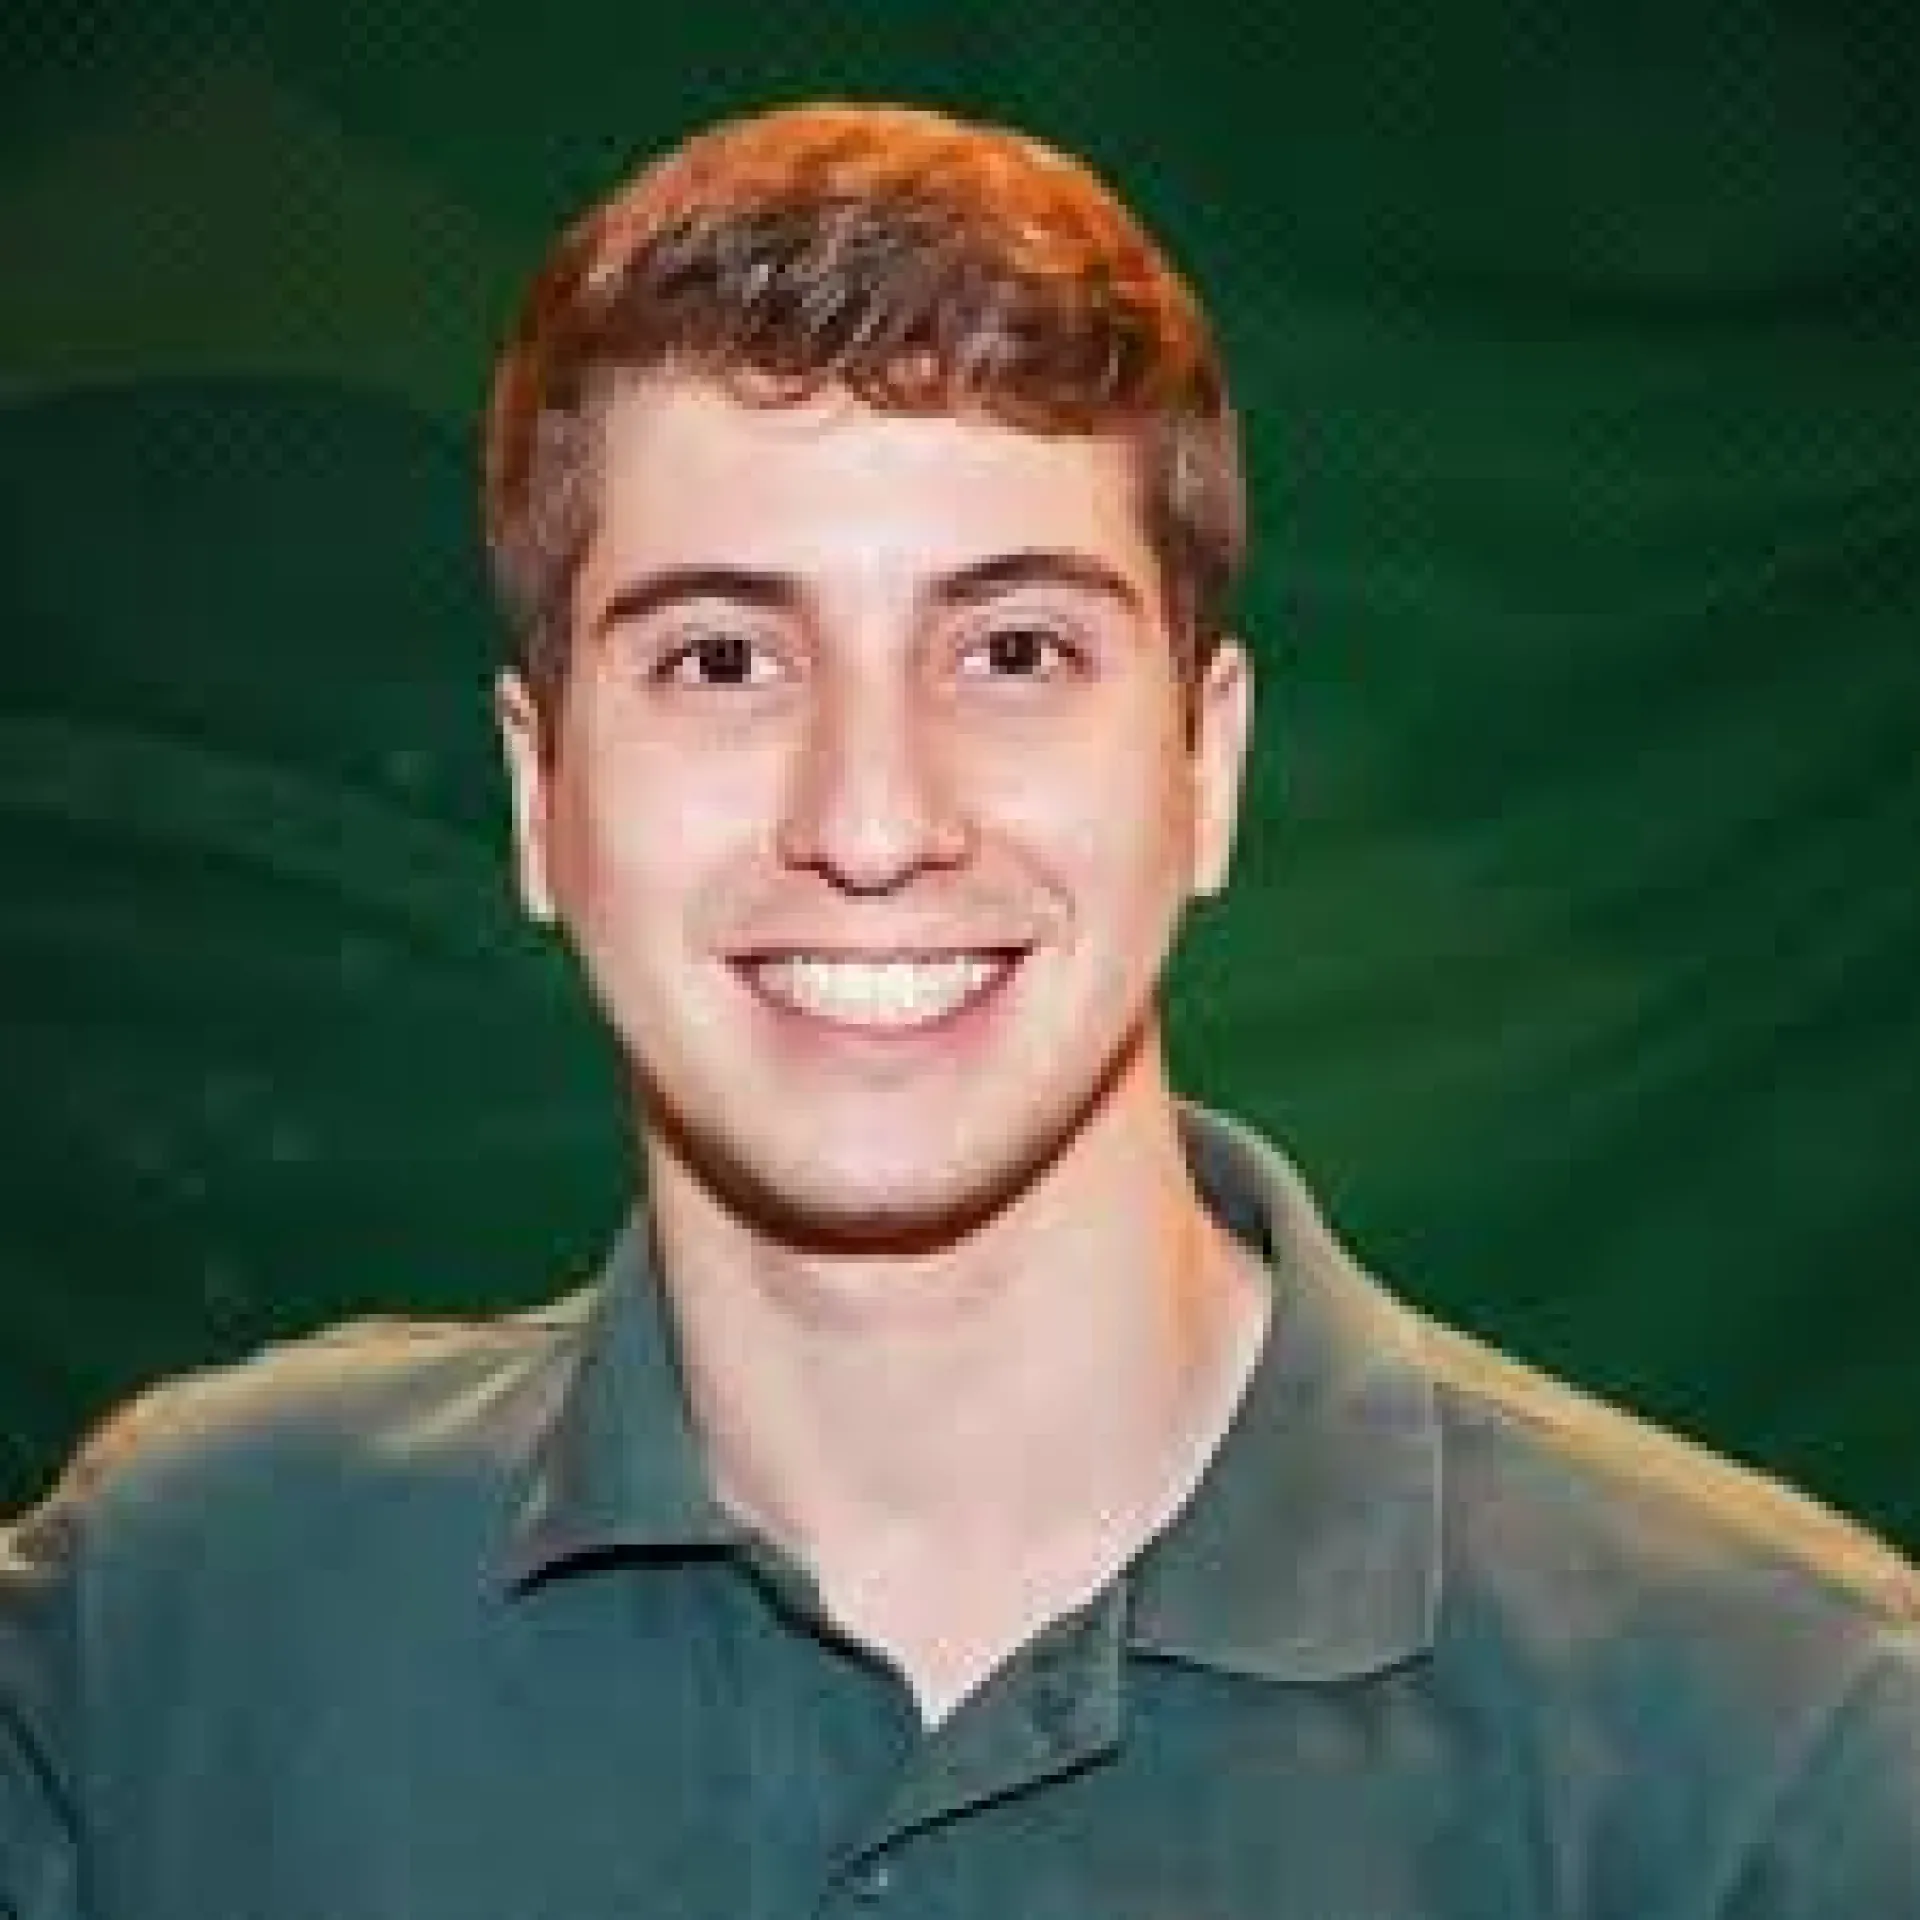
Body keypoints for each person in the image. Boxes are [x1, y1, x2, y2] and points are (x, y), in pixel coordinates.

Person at [2, 99, 1916, 1919]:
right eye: (722, 658)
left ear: (1207, 766)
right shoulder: (168, 1623)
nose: (871, 820)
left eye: (1012, 649)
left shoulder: (1785, 1742)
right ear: (539, 796)